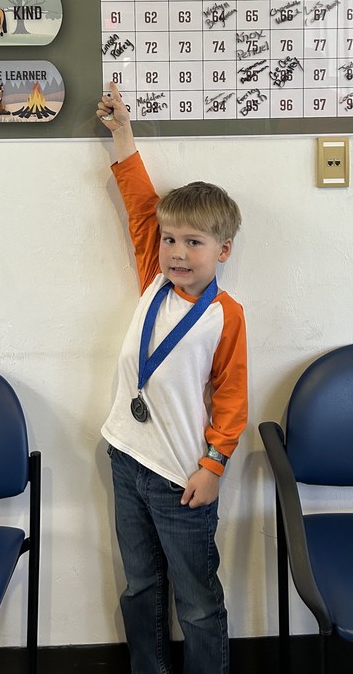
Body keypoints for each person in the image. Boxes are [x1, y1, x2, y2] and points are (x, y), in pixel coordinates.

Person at [96, 81, 247, 674]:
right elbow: (141, 203)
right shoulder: (153, 281)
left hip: (182, 477)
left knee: (198, 601)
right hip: (126, 457)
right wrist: (123, 134)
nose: (177, 252)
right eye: (170, 240)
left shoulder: (223, 316)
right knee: (140, 586)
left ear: (223, 250)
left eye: (194, 242)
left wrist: (214, 466)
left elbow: (231, 396)